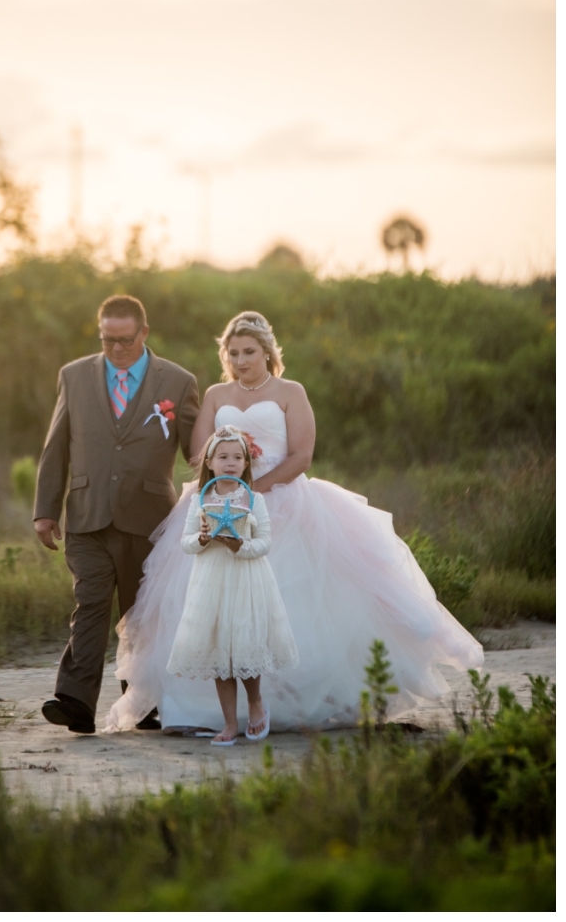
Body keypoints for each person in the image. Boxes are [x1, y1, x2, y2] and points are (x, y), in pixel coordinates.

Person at [105, 311, 483, 735]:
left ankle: (302, 697)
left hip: (284, 498)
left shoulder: (290, 391)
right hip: (222, 499)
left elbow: (302, 455)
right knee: (207, 602)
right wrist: (226, 494)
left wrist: (256, 491)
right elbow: (201, 455)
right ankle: (207, 709)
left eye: (249, 352)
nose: (241, 360)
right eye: (233, 352)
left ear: (267, 352)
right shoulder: (214, 393)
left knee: (295, 598)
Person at [33, 294, 199, 734]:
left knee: (140, 614)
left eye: (125, 340)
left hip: (149, 518)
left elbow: (198, 453)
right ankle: (75, 703)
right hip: (87, 513)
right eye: (108, 340)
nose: (117, 349)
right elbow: (56, 447)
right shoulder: (74, 376)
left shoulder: (179, 383)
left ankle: (142, 703)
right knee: (90, 602)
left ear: (144, 333)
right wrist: (45, 511)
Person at [167, 425, 299, 745]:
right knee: (219, 654)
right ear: (209, 462)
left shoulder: (252, 499)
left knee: (243, 647)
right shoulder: (202, 498)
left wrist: (240, 546)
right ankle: (229, 723)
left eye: (237, 457)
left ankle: (255, 703)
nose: (231, 462)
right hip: (210, 579)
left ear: (246, 463)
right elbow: (186, 542)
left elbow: (265, 542)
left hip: (246, 578)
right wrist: (200, 539)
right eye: (223, 456)